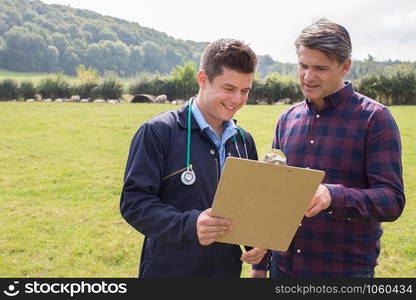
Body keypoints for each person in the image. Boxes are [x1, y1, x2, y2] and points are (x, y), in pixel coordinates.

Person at [252, 19, 405, 278]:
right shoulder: (287, 120)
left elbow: (392, 200)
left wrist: (333, 196)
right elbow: (273, 195)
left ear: (345, 67)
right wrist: (260, 266)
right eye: (303, 66)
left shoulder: (375, 119)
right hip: (284, 268)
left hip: (342, 272)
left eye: (320, 68)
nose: (308, 77)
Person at [120, 38, 266, 278]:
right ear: (202, 80)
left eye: (245, 91)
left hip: (225, 273)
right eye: (229, 89)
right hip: (168, 273)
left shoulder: (243, 141)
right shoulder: (158, 132)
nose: (238, 100)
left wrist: (256, 241)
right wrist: (189, 225)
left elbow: (247, 206)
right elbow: (134, 203)